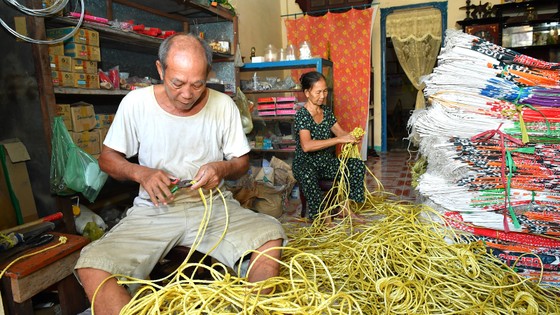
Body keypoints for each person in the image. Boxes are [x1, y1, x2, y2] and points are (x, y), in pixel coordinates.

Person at [75, 33, 286, 314]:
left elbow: (241, 162)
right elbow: (107, 159)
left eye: (197, 84)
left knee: (270, 234)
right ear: (160, 69)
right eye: (178, 83)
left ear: (207, 75)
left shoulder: (223, 105)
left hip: (212, 207)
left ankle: (252, 307)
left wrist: (221, 168)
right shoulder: (136, 103)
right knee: (93, 265)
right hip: (155, 211)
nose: (187, 94)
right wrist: (142, 173)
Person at [292, 71, 365, 223]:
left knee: (356, 165)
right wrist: (339, 140)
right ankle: (322, 216)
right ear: (307, 92)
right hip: (306, 163)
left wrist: (350, 137)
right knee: (307, 174)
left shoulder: (326, 111)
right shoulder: (302, 116)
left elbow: (339, 132)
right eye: (318, 92)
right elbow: (306, 146)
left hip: (325, 162)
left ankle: (344, 208)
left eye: (325, 91)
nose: (323, 95)